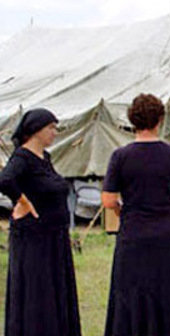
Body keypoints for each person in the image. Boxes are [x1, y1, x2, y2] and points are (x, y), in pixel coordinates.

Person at [102, 94, 170, 336]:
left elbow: (108, 200)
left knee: (133, 288)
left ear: (133, 120)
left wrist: (124, 209)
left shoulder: (120, 156)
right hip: (168, 233)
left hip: (134, 232)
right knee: (166, 287)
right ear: (160, 120)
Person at [0, 109, 81, 336]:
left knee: (53, 291)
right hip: (34, 238)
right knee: (38, 291)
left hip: (54, 236)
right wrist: (23, 201)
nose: (54, 133)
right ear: (35, 130)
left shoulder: (44, 158)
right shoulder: (22, 158)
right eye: (51, 128)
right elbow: (5, 180)